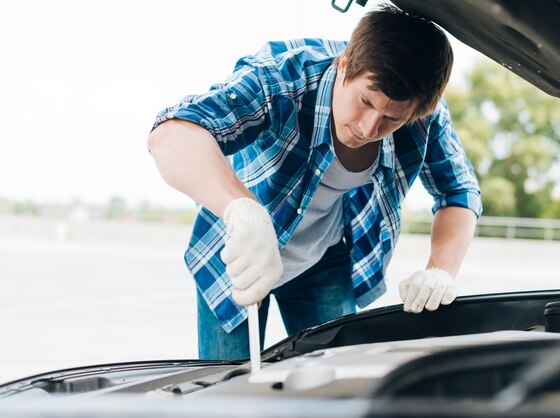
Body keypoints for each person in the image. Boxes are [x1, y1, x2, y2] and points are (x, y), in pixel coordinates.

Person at [147, 4, 481, 360]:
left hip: (322, 259)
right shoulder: (281, 75)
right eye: (365, 101)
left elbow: (458, 190)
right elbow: (171, 135)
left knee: (339, 380)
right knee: (226, 389)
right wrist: (243, 211)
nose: (369, 129)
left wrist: (441, 270)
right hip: (235, 253)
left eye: (391, 119)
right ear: (344, 63)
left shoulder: (425, 116)